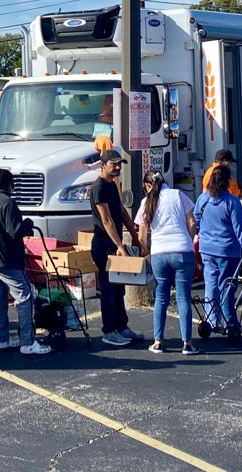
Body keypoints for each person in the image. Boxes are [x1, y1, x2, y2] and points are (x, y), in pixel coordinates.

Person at [0, 169, 52, 355]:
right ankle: (28, 342)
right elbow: (14, 231)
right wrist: (27, 224)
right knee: (25, 296)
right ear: (9, 184)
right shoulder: (8, 203)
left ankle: (1, 339)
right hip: (7, 258)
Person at [193, 165, 242, 341]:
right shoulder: (231, 202)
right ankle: (230, 321)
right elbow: (240, 230)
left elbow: (196, 218)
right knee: (227, 287)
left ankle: (211, 320)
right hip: (227, 250)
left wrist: (205, 233)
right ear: (228, 181)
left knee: (211, 285)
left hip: (207, 249)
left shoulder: (203, 199)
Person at [136, 170, 199, 355]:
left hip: (159, 254)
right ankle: (187, 344)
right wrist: (188, 239)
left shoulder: (146, 202)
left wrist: (148, 253)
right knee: (183, 297)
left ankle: (158, 342)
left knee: (161, 297)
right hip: (182, 251)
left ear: (147, 186)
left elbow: (141, 236)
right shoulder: (178, 194)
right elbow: (192, 223)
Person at [89, 149, 145, 347]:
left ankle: (122, 327)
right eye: (114, 164)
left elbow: (120, 212)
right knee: (109, 289)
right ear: (103, 165)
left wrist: (135, 236)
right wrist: (119, 246)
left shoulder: (112, 185)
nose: (118, 168)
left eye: (119, 164)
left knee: (119, 287)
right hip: (104, 244)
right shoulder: (98, 188)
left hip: (114, 243)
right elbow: (106, 220)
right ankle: (109, 330)